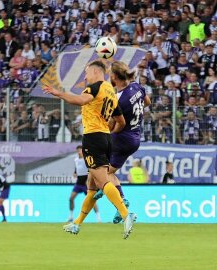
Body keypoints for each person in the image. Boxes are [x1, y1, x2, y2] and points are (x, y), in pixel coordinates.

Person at [43, 60, 136, 239]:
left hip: (93, 138)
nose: (85, 77)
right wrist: (107, 130)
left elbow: (79, 100)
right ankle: (77, 223)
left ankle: (126, 214)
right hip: (106, 139)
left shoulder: (94, 87)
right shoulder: (111, 90)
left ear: (95, 72)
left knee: (102, 181)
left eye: (86, 73)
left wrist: (59, 93)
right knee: (91, 187)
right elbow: (121, 121)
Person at [92, 61, 151, 223]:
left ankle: (110, 192)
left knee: (100, 170)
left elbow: (116, 125)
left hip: (122, 138)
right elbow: (148, 102)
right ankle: (117, 199)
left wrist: (108, 133)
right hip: (135, 138)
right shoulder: (136, 87)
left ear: (114, 77)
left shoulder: (117, 99)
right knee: (109, 172)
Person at [68, 145, 101, 222]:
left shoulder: (86, 159)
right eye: (78, 150)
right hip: (79, 183)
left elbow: (91, 169)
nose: (79, 152)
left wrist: (89, 180)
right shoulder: (76, 160)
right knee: (71, 198)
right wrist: (75, 173)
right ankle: (71, 216)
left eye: (80, 150)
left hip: (86, 183)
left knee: (92, 200)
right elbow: (77, 168)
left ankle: (98, 217)